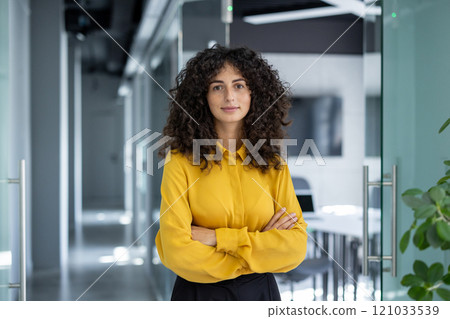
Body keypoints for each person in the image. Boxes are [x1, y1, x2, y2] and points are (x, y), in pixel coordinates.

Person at [155, 44, 308, 301]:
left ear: (254, 93)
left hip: (260, 294)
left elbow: (295, 247)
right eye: (217, 87)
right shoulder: (180, 162)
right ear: (202, 96)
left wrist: (217, 238)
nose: (229, 97)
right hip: (199, 296)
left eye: (239, 85)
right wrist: (258, 249)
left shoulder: (272, 163)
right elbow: (176, 251)